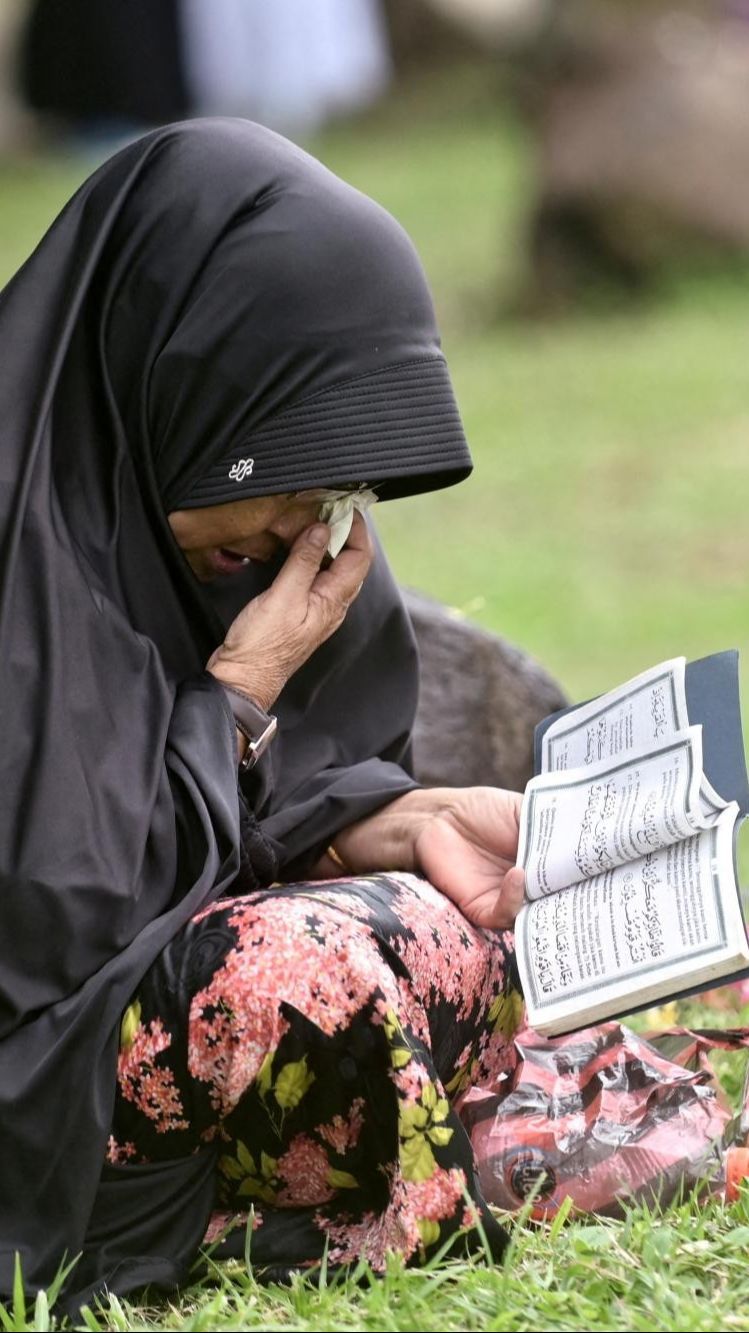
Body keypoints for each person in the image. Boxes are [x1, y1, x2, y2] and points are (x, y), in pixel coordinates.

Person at [0, 117, 526, 1313]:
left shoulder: (261, 538)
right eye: (289, 475)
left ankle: (326, 1164)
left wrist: (393, 824)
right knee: (303, 974)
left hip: (162, 1009)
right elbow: (50, 917)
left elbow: (282, 803)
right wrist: (236, 693)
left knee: (451, 920)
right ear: (178, 387)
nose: (311, 534)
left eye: (339, 488)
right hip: (30, 1072)